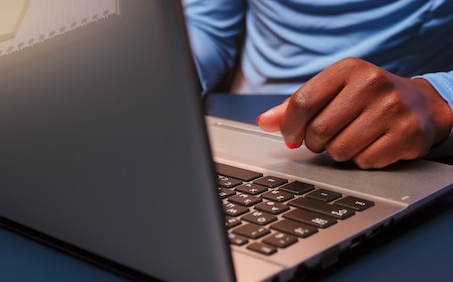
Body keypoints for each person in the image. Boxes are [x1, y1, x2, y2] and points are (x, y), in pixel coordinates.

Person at [183, 0, 453, 169]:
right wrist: (171, 72)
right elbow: (206, 24)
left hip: (387, 140)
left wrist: (441, 96)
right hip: (239, 127)